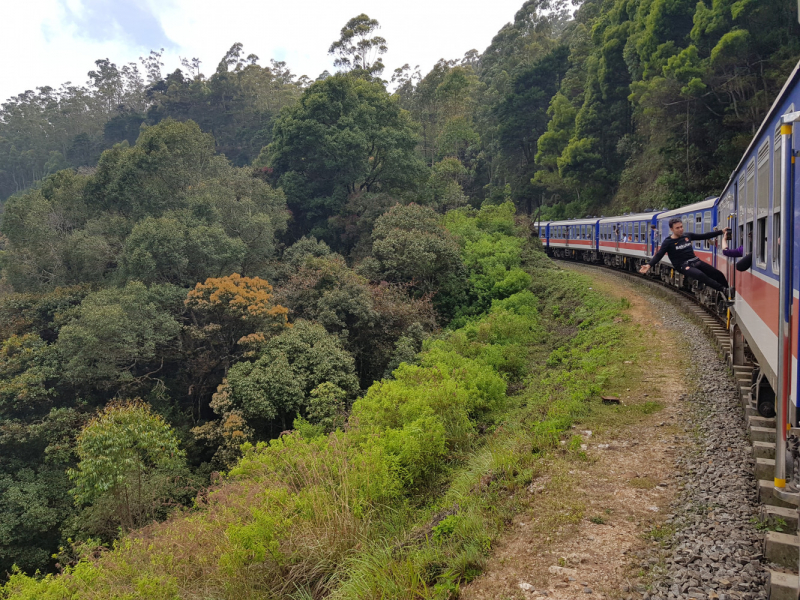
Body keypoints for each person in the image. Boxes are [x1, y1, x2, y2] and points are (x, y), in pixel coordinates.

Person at [639, 217, 733, 300]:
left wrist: (721, 231)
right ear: (671, 229)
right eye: (677, 228)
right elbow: (659, 255)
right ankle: (723, 289)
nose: (680, 229)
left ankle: (728, 292)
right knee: (700, 275)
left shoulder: (687, 236)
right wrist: (649, 265)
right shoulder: (668, 242)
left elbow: (704, 236)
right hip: (683, 265)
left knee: (718, 274)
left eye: (681, 227)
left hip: (695, 261)